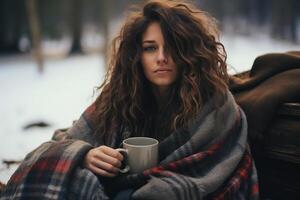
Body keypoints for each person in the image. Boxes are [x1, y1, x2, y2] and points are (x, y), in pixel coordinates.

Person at [1, 0, 259, 199]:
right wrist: (86, 155)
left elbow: (220, 173)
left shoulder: (217, 108)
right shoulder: (121, 97)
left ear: (188, 52)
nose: (161, 57)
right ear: (137, 55)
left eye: (173, 46)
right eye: (150, 48)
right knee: (75, 177)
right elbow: (66, 142)